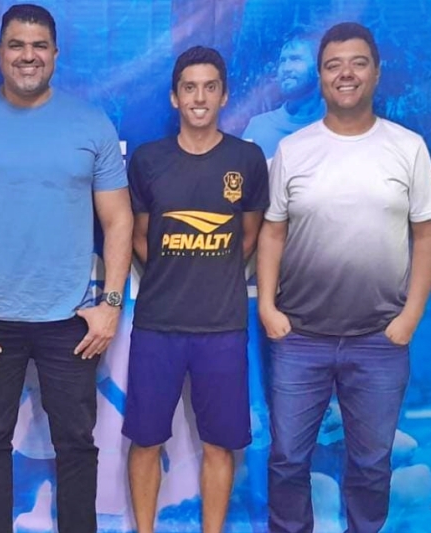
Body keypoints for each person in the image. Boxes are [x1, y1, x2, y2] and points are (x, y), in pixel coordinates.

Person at [0, 4, 133, 533]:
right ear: (0, 53)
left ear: (55, 54)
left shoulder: (91, 123)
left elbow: (119, 219)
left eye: (38, 46)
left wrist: (110, 304)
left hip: (71, 320)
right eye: (16, 45)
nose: (27, 56)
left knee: (76, 443)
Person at [257, 22, 431, 533]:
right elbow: (272, 233)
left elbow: (424, 236)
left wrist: (410, 316)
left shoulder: (408, 148)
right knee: (287, 460)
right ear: (321, 77)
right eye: (333, 65)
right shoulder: (294, 149)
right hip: (300, 338)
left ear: (376, 72)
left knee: (372, 464)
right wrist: (268, 307)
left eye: (357, 63)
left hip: (379, 339)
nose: (345, 74)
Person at [123, 46, 269, 533]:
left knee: (219, 444)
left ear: (224, 96)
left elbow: (248, 237)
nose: (199, 97)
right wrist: (177, 268)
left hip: (222, 327)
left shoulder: (247, 159)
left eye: (210, 87)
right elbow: (140, 237)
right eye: (189, 88)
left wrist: (209, 269)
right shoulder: (148, 160)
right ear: (175, 97)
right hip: (157, 325)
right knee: (146, 440)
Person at [242, 28, 325, 160]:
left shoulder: (337, 121)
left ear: (318, 68)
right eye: (283, 61)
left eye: (295, 59)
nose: (286, 68)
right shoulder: (258, 127)